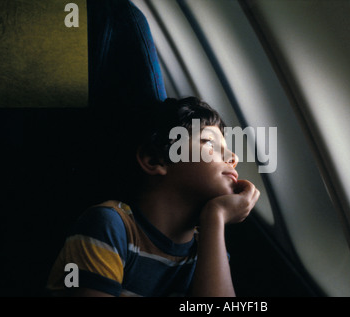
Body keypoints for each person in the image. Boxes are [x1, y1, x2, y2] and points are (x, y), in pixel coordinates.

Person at [46, 1, 259, 297]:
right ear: (155, 159)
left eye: (229, 150)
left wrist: (214, 220)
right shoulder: (110, 226)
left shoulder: (208, 244)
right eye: (210, 144)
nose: (233, 157)